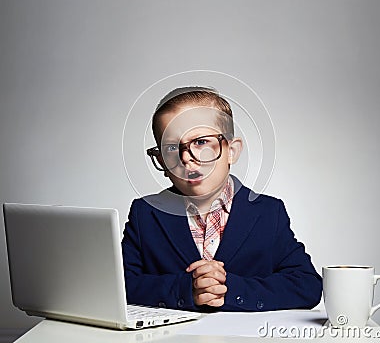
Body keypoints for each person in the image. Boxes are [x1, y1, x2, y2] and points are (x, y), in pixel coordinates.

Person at [122, 86, 322, 312]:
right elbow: (119, 286)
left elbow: (307, 285)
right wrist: (185, 289)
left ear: (232, 151)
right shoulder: (145, 214)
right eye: (171, 147)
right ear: (160, 159)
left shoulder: (268, 212)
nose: (187, 158)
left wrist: (229, 289)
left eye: (200, 142)